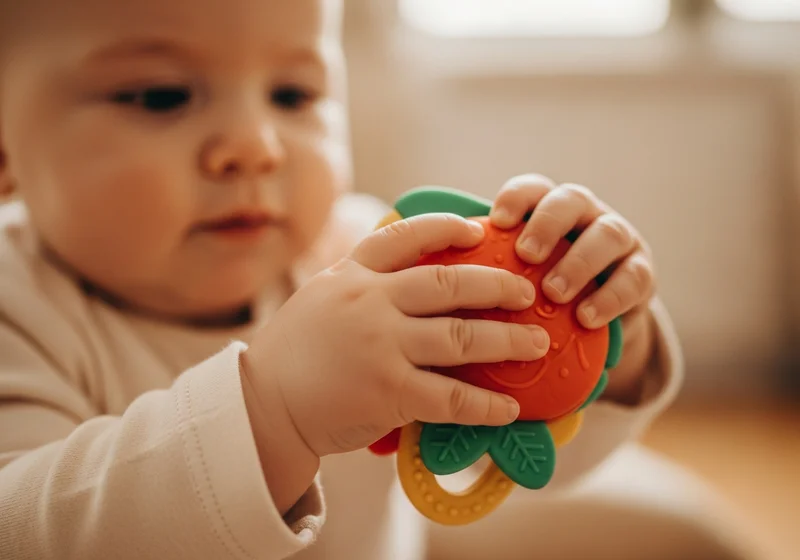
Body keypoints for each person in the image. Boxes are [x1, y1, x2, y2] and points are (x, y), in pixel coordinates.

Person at [0, 0, 738, 558]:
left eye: (293, 95)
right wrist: (271, 414)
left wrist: (604, 338)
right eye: (160, 96)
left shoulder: (372, 256)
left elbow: (520, 457)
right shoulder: (17, 305)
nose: (256, 146)